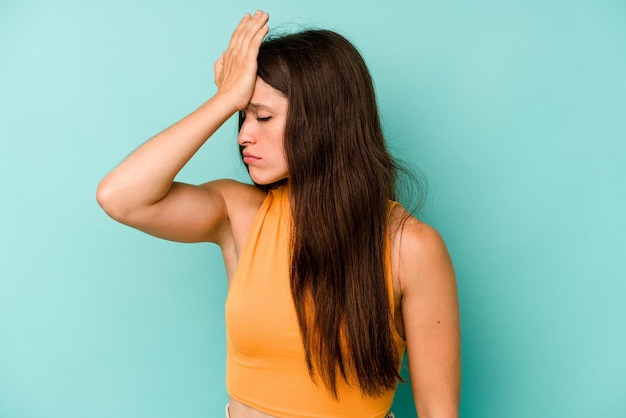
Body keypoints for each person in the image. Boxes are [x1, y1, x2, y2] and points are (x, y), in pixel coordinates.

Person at [96, 10, 460, 418]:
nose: (242, 135)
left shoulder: (412, 246)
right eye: (242, 116)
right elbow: (120, 197)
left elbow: (438, 411)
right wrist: (224, 99)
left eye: (263, 117)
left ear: (323, 122)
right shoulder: (239, 213)